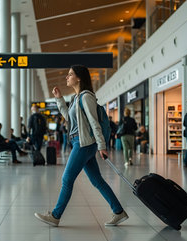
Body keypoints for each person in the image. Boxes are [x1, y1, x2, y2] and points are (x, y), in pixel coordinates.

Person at [34, 65, 127, 227]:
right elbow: (69, 119)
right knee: (97, 181)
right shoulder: (77, 98)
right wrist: (59, 99)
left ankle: (56, 216)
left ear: (79, 78)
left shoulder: (86, 97)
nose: (67, 77)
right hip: (82, 142)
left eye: (70, 74)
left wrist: (102, 145)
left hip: (84, 143)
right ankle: (118, 211)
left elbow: (94, 122)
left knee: (67, 179)